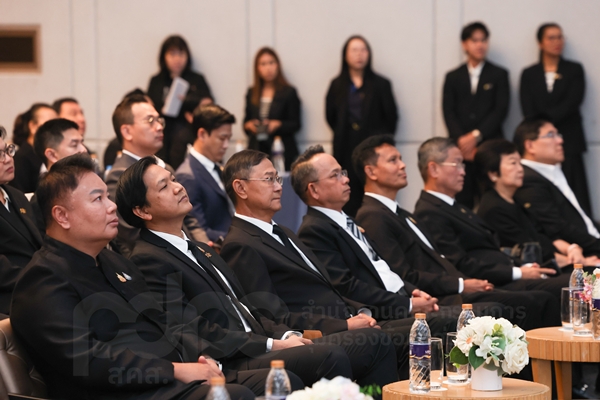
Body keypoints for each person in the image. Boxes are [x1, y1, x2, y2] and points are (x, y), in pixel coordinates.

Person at [10, 154, 287, 399]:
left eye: (108, 197)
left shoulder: (113, 261)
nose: (111, 207)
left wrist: (200, 358)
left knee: (281, 379)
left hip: (164, 380)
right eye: (98, 199)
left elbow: (164, 322)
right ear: (62, 216)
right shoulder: (43, 280)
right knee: (239, 394)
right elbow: (87, 361)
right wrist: (174, 370)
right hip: (122, 391)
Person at [119, 157, 381, 390]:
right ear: (142, 210)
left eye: (174, 179)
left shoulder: (200, 249)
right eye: (164, 187)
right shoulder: (148, 258)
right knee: (330, 355)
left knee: (372, 341)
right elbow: (193, 327)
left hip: (257, 343)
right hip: (231, 359)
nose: (178, 187)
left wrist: (287, 335)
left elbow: (246, 307)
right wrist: (273, 344)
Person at [220, 150, 412, 380]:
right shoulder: (241, 244)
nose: (279, 187)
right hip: (316, 334)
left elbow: (326, 288)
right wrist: (344, 325)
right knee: (377, 340)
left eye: (278, 179)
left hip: (343, 322)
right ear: (241, 188)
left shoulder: (283, 232)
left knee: (418, 331)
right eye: (269, 179)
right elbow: (272, 315)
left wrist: (361, 313)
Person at [352, 134, 559, 330]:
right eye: (393, 160)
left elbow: (437, 259)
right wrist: (460, 284)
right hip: (437, 295)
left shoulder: (400, 213)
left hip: (453, 287)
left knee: (539, 297)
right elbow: (403, 274)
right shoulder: (373, 215)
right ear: (371, 172)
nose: (403, 165)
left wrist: (464, 282)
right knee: (532, 301)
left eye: (400, 158)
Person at [413, 137, 570, 303]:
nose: (463, 172)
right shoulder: (429, 212)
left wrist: (522, 267)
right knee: (564, 288)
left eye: (463, 165)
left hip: (504, 275)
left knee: (575, 280)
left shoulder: (456, 207)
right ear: (434, 169)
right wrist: (518, 272)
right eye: (456, 164)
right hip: (488, 284)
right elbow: (459, 263)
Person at [106, 94, 208, 256]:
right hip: (161, 258)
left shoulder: (165, 167)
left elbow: (188, 217)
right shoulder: (120, 176)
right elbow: (132, 235)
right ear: (127, 131)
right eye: (150, 121)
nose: (159, 127)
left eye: (159, 120)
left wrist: (204, 247)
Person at [475, 138, 598, 268]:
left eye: (519, 163)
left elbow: (545, 236)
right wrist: (579, 263)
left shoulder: (516, 200)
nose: (520, 169)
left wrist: (572, 249)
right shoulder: (494, 210)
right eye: (513, 163)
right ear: (493, 174)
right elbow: (532, 251)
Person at [519, 23, 591, 215]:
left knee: (575, 195)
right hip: (539, 144)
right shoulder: (529, 73)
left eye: (560, 37)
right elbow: (528, 109)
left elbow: (573, 102)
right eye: (551, 37)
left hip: (569, 141)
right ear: (540, 42)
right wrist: (543, 129)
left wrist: (546, 124)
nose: (557, 41)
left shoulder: (574, 69)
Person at [326, 35, 398, 216]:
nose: (359, 54)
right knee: (347, 194)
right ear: (345, 55)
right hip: (345, 148)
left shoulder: (381, 84)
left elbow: (391, 117)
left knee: (374, 193)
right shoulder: (337, 85)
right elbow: (330, 116)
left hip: (373, 149)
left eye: (363, 50)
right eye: (354, 50)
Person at [442, 22, 509, 209]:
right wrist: (462, 142)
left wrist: (476, 137)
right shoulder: (453, 76)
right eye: (475, 40)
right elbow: (448, 112)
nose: (480, 45)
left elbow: (500, 110)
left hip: (490, 145)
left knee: (491, 199)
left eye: (484, 40)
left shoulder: (499, 74)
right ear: (464, 44)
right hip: (460, 150)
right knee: (462, 201)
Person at [513, 116, 600, 258]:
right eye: (551, 135)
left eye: (558, 134)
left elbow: (583, 220)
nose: (560, 140)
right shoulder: (527, 179)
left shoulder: (551, 170)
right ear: (530, 146)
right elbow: (557, 227)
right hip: (580, 254)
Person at [147, 35, 213, 166]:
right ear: (164, 57)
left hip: (187, 129)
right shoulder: (157, 81)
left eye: (181, 54)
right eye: (172, 54)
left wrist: (187, 100)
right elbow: (150, 106)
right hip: (163, 127)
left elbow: (208, 103)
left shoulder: (196, 79)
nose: (177, 59)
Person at [176, 105, 235, 243]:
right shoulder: (187, 176)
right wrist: (241, 238)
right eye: (222, 138)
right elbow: (198, 230)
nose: (226, 145)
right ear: (202, 134)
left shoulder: (216, 166)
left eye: (229, 138)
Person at [0, 126, 42, 317]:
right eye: (0, 155)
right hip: (10, 297)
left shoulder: (16, 196)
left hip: (38, 286)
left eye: (8, 150)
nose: (9, 159)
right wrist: (42, 278)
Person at [243, 47, 300, 170]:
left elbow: (296, 124)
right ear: (257, 68)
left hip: (282, 148)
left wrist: (277, 124)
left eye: (271, 63)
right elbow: (245, 122)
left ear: (277, 65)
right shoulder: (252, 92)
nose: (268, 68)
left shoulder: (289, 92)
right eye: (263, 64)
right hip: (257, 148)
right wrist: (250, 125)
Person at [31, 118, 88, 232]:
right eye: (74, 145)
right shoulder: (42, 201)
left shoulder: (88, 186)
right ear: (52, 155)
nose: (83, 150)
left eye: (82, 143)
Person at [10, 103, 57, 193]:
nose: (57, 131)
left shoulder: (43, 154)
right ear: (33, 126)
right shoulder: (21, 158)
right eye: (50, 124)